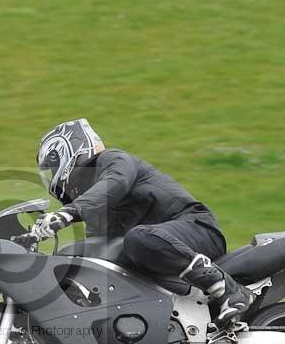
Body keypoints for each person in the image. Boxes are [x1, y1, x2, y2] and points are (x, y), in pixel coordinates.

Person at [31, 118, 254, 329]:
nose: (51, 177)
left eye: (51, 169)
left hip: (196, 229)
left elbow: (115, 183)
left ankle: (228, 289)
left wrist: (67, 213)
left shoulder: (112, 160)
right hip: (156, 253)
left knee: (139, 238)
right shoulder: (95, 207)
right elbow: (98, 255)